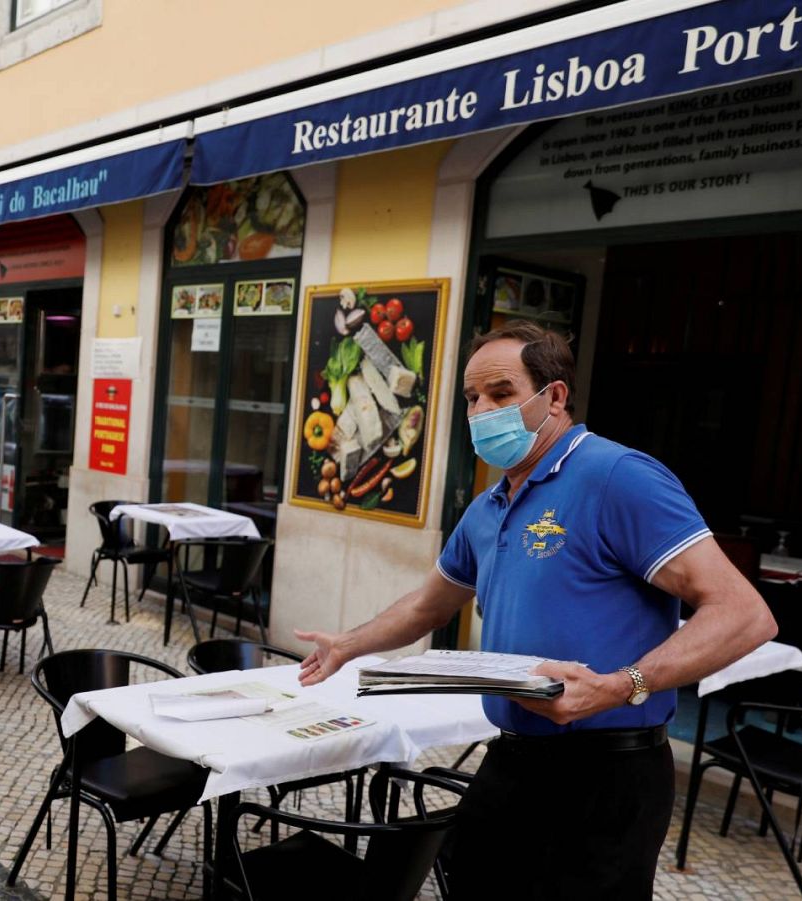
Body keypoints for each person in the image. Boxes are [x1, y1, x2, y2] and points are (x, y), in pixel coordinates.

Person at [294, 321, 776, 901]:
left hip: (608, 774)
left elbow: (745, 614)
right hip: (514, 760)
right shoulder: (487, 506)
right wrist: (350, 644)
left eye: (500, 393)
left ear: (554, 396)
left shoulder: (618, 477)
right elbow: (428, 605)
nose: (481, 411)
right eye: (472, 398)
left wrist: (622, 685)